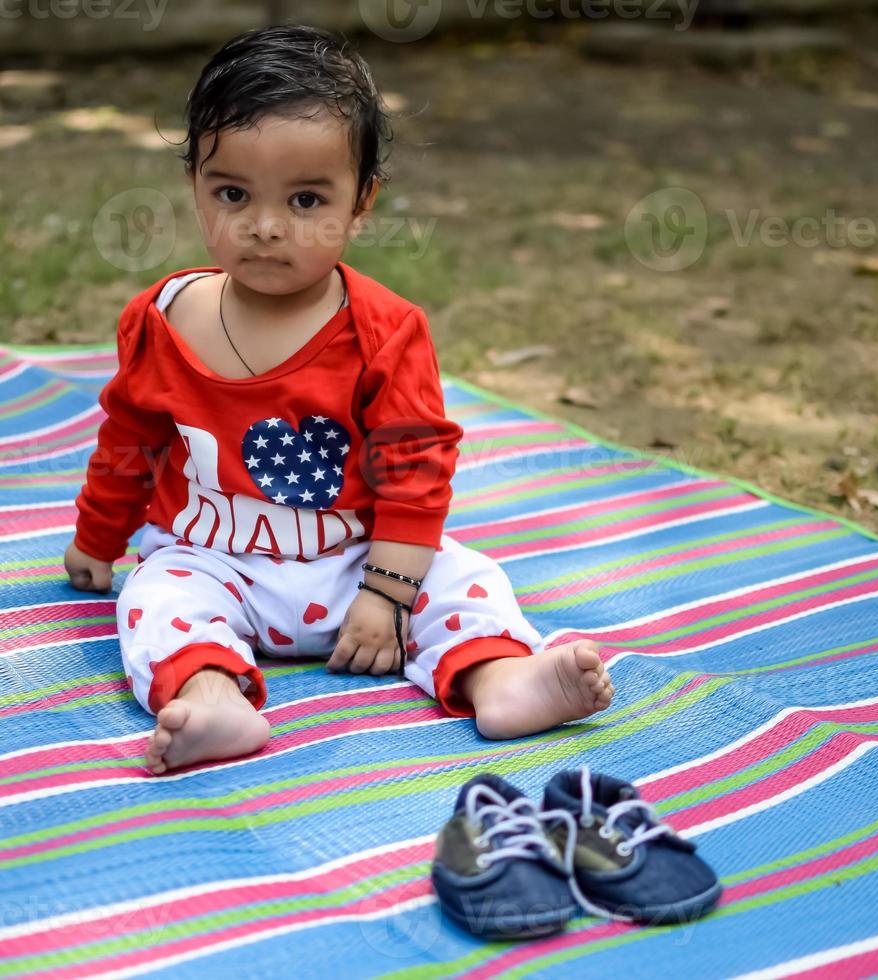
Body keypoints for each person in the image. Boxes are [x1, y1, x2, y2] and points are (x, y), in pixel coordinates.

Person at [64, 25, 613, 776]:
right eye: (232, 193)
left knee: (466, 580)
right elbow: (130, 441)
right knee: (154, 598)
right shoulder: (160, 319)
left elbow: (415, 474)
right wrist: (98, 540)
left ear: (362, 204)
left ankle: (500, 677)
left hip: (358, 559)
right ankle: (212, 694)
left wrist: (388, 596)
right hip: (213, 561)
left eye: (306, 199)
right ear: (195, 186)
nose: (265, 225)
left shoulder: (385, 331)